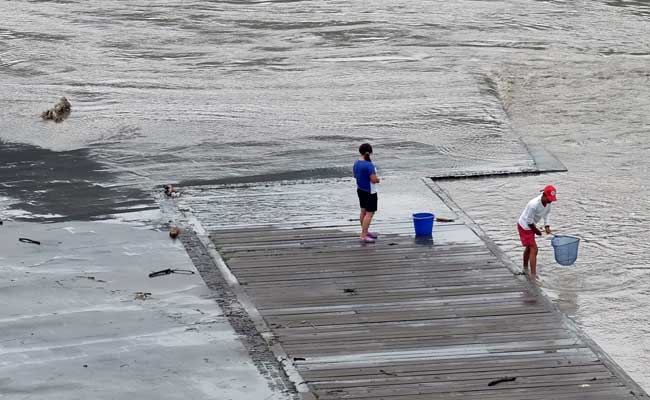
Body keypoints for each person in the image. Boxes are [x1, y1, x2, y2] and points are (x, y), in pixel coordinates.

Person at [517, 185, 557, 277]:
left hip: (531, 225)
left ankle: (525, 268)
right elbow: (529, 221)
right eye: (549, 198)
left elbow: (546, 214)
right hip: (525, 226)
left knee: (529, 248)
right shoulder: (533, 205)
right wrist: (537, 231)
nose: (550, 201)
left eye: (552, 199)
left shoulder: (548, 203)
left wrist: (547, 226)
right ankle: (533, 275)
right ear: (544, 194)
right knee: (534, 249)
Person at [353, 143, 380, 243]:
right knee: (369, 213)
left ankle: (365, 231)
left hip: (360, 190)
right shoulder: (369, 165)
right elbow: (373, 180)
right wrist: (378, 180)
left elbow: (355, 176)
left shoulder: (356, 163)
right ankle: (363, 235)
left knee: (363, 211)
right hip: (370, 192)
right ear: (370, 152)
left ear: (360, 151)